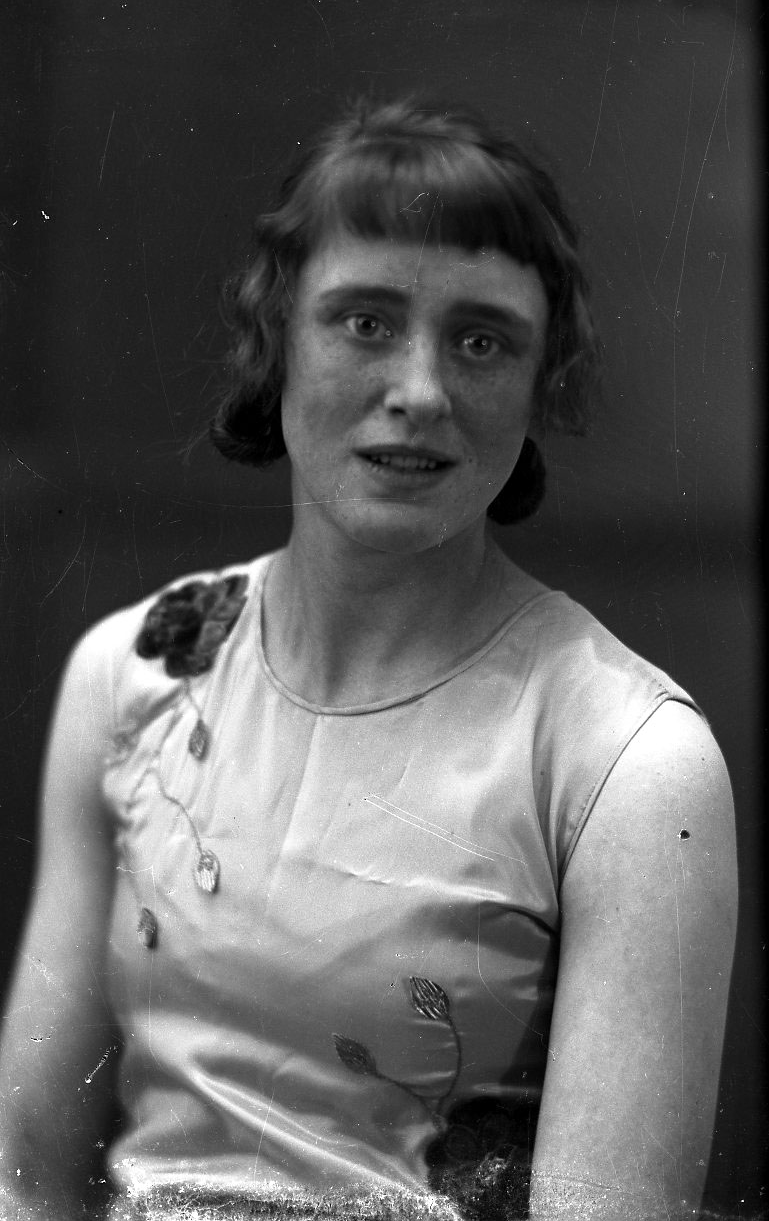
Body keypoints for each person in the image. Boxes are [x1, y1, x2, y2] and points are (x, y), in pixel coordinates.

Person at [0, 98, 737, 1221]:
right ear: (275, 339)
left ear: (538, 383)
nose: (422, 391)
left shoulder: (628, 762)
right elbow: (23, 1164)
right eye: (365, 321)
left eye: (481, 341)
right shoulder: (136, 672)